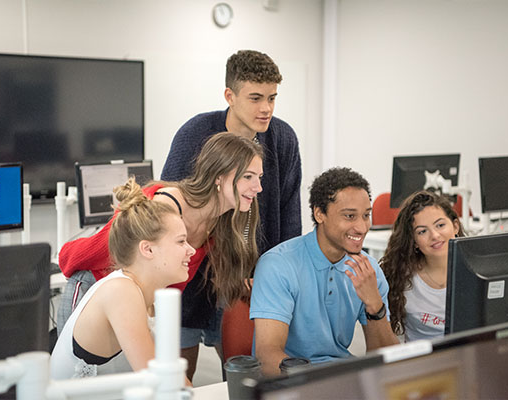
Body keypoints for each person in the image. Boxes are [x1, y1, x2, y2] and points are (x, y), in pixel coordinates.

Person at [57, 133, 264, 379]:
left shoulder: (215, 224)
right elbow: (77, 256)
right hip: (95, 286)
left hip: (137, 302)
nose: (258, 187)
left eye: (259, 177)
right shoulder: (164, 207)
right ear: (219, 177)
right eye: (248, 177)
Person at [161, 49, 302, 377]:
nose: (266, 108)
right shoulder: (195, 135)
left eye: (272, 98)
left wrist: (272, 276)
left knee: (246, 376)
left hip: (249, 283)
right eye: (255, 98)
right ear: (230, 95)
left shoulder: (282, 140)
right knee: (180, 379)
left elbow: (288, 216)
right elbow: (169, 214)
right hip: (191, 277)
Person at [250, 167, 399, 376]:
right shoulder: (278, 265)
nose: (362, 227)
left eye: (366, 215)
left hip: (341, 376)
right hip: (291, 380)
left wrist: (375, 305)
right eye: (349, 216)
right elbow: (267, 357)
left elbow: (386, 359)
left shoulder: (369, 270)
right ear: (319, 213)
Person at [51, 177, 195, 379]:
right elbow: (161, 380)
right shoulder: (121, 291)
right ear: (148, 249)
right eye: (181, 241)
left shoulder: (150, 296)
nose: (192, 250)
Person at [380, 190, 465, 342]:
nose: (435, 236)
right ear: (413, 240)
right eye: (422, 231)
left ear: (455, 226)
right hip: (423, 360)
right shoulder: (399, 274)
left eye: (440, 225)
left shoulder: (478, 271)